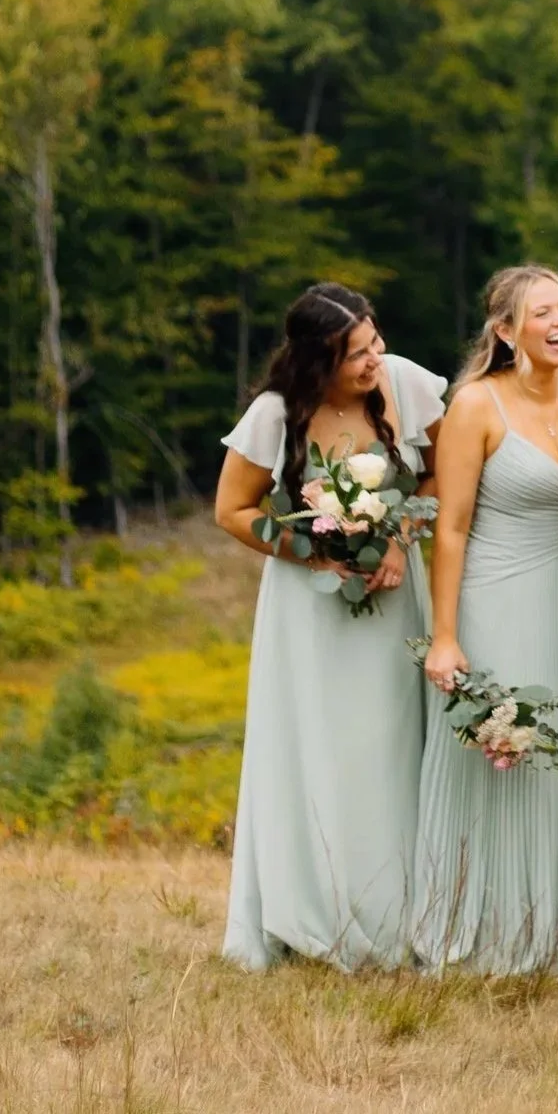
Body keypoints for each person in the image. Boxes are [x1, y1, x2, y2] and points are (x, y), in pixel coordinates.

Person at [215, 283, 446, 971]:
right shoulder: (275, 414)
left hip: (395, 595)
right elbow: (232, 510)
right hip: (307, 610)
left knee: (389, 746)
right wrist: (314, 547)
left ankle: (399, 915)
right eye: (356, 354)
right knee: (316, 745)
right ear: (318, 359)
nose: (374, 360)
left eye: (375, 341)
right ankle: (309, 911)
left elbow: (436, 479)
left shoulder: (401, 383)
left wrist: (398, 538)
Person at [412, 266, 558, 975]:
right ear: (505, 330)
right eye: (543, 313)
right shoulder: (475, 405)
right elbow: (451, 528)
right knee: (507, 751)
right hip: (494, 596)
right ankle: (490, 923)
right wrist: (444, 636)